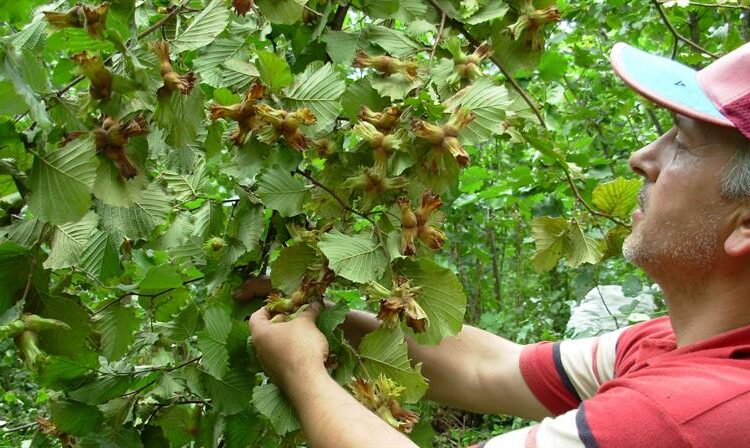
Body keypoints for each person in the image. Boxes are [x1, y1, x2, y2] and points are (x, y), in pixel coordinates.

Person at [249, 41, 750, 448]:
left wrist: (301, 371)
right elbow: (491, 369)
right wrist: (321, 315)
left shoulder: (685, 416)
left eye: (682, 143)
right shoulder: (671, 344)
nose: (642, 157)